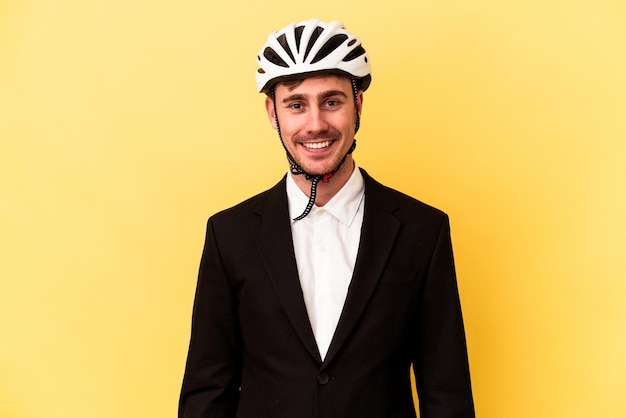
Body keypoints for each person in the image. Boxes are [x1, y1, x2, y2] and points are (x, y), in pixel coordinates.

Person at [179, 18, 475, 418]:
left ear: (358, 104)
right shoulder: (229, 234)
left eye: (332, 101)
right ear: (273, 112)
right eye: (296, 104)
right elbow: (207, 390)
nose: (315, 123)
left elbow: (447, 391)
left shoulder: (424, 229)